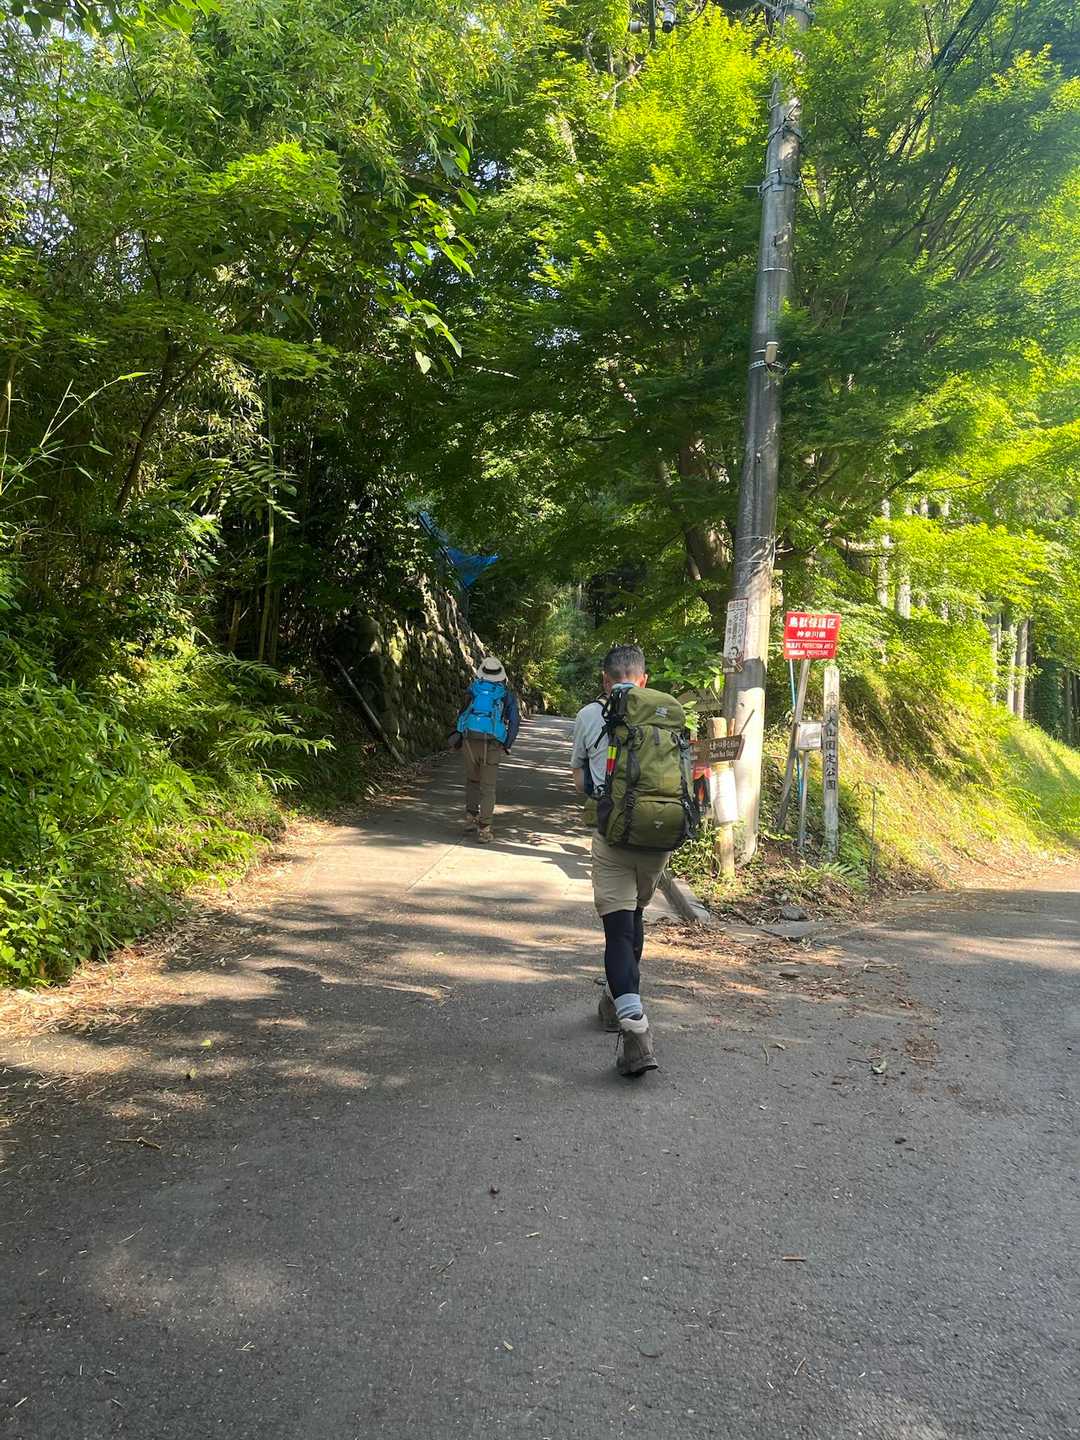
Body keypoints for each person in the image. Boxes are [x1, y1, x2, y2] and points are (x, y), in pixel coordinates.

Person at [571, 644, 693, 1078]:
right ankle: (614, 998)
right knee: (636, 914)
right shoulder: (667, 714)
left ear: (606, 681)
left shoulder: (591, 715)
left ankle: (635, 1026)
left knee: (619, 932)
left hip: (613, 838)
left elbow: (581, 781)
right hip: (660, 839)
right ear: (643, 679)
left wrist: (601, 794)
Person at [452, 656, 520, 844]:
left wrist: (459, 736)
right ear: (501, 675)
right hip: (492, 743)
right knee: (488, 787)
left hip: (469, 738)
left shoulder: (473, 689)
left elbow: (463, 713)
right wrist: (507, 743)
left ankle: (470, 819)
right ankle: (484, 830)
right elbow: (514, 721)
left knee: (472, 780)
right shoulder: (505, 694)